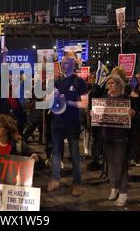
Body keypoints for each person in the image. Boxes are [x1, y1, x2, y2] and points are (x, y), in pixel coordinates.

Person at [47, 56, 88, 197]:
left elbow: (84, 104)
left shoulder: (79, 82)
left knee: (75, 154)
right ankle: (55, 179)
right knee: (56, 153)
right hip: (57, 121)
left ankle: (77, 183)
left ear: (72, 64)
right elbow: (48, 101)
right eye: (62, 63)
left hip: (72, 123)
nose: (63, 65)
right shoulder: (56, 82)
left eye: (66, 63)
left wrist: (68, 102)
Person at [101, 75, 136, 206]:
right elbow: (100, 115)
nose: (109, 85)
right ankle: (114, 188)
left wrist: (132, 113)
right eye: (108, 83)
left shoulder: (125, 98)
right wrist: (95, 114)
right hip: (107, 135)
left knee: (120, 165)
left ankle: (123, 194)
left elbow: (134, 115)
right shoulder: (104, 99)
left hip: (121, 136)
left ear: (119, 85)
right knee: (110, 164)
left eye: (112, 83)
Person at [0, 114, 39, 183]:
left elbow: (36, 162)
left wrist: (35, 158)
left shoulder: (18, 145)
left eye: (0, 127)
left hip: (10, 187)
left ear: (7, 129)